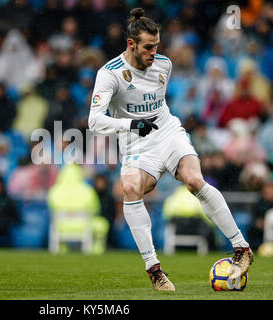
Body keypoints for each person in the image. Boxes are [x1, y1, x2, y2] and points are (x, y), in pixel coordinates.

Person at [87, 8, 253, 291]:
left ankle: (241, 248)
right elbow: (94, 121)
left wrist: (150, 124)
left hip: (167, 132)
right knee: (129, 188)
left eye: (157, 46)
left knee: (194, 181)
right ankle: (154, 269)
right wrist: (131, 124)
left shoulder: (163, 65)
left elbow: (158, 106)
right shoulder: (110, 74)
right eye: (148, 47)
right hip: (137, 143)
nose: (154, 53)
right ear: (131, 44)